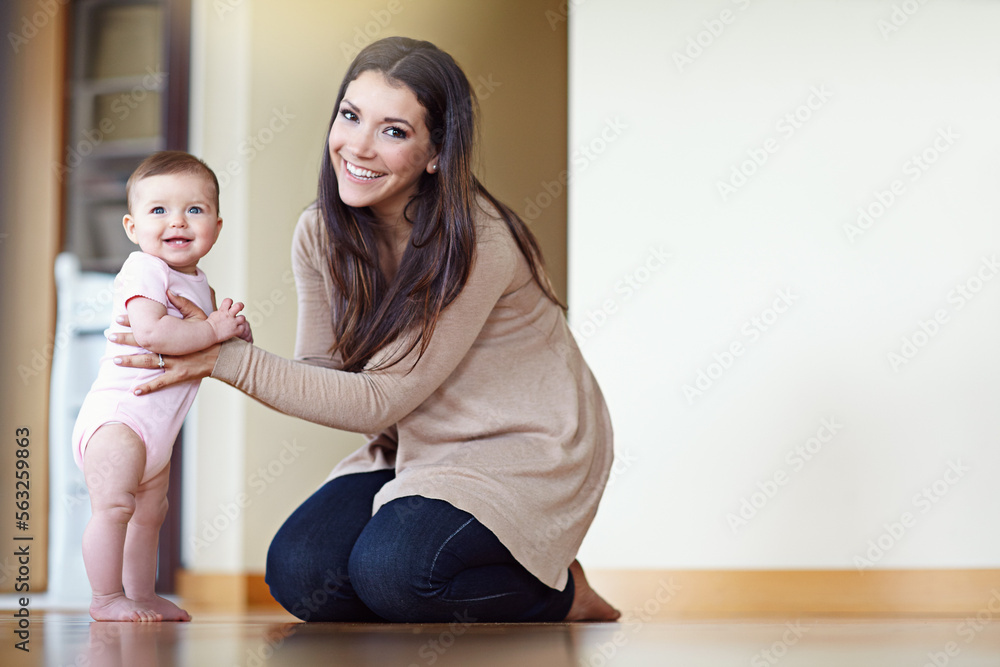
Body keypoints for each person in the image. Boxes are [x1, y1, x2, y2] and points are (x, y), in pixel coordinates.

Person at [115, 37, 620, 623]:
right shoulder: (321, 231)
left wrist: (222, 357)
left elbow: (378, 397)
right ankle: (461, 571)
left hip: (523, 448)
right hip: (414, 446)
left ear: (436, 154)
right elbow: (327, 375)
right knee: (302, 576)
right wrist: (236, 344)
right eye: (350, 116)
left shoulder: (476, 240)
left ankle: (558, 590)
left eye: (394, 131)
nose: (357, 146)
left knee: (396, 574)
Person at [72, 151, 252, 622]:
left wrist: (232, 331)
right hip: (120, 419)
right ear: (132, 228)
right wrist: (213, 330)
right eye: (159, 211)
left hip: (157, 431)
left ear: (216, 223)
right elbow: (153, 333)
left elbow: (207, 349)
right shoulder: (144, 269)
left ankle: (141, 593)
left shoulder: (200, 285)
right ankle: (106, 598)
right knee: (114, 507)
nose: (178, 222)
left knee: (150, 514)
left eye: (194, 209)